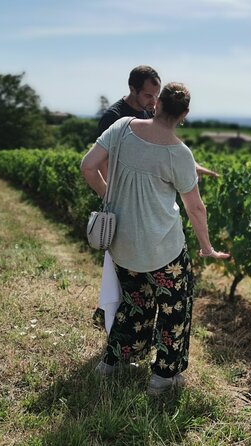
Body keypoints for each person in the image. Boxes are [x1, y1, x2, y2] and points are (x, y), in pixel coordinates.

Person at [81, 82, 230, 395]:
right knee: (175, 310)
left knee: (135, 305)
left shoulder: (121, 128)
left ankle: (111, 362)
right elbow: (195, 208)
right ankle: (163, 377)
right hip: (164, 250)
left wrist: (112, 196)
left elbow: (88, 166)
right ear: (184, 114)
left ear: (157, 103)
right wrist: (207, 248)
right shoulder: (180, 154)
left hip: (122, 245)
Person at [92, 66, 217, 331]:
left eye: (155, 96)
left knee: (133, 299)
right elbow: (194, 207)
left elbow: (155, 158)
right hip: (148, 231)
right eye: (148, 95)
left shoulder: (129, 123)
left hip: (128, 233)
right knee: (168, 307)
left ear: (160, 102)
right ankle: (162, 369)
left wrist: (191, 168)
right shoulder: (115, 119)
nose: (151, 101)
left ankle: (117, 353)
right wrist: (113, 200)